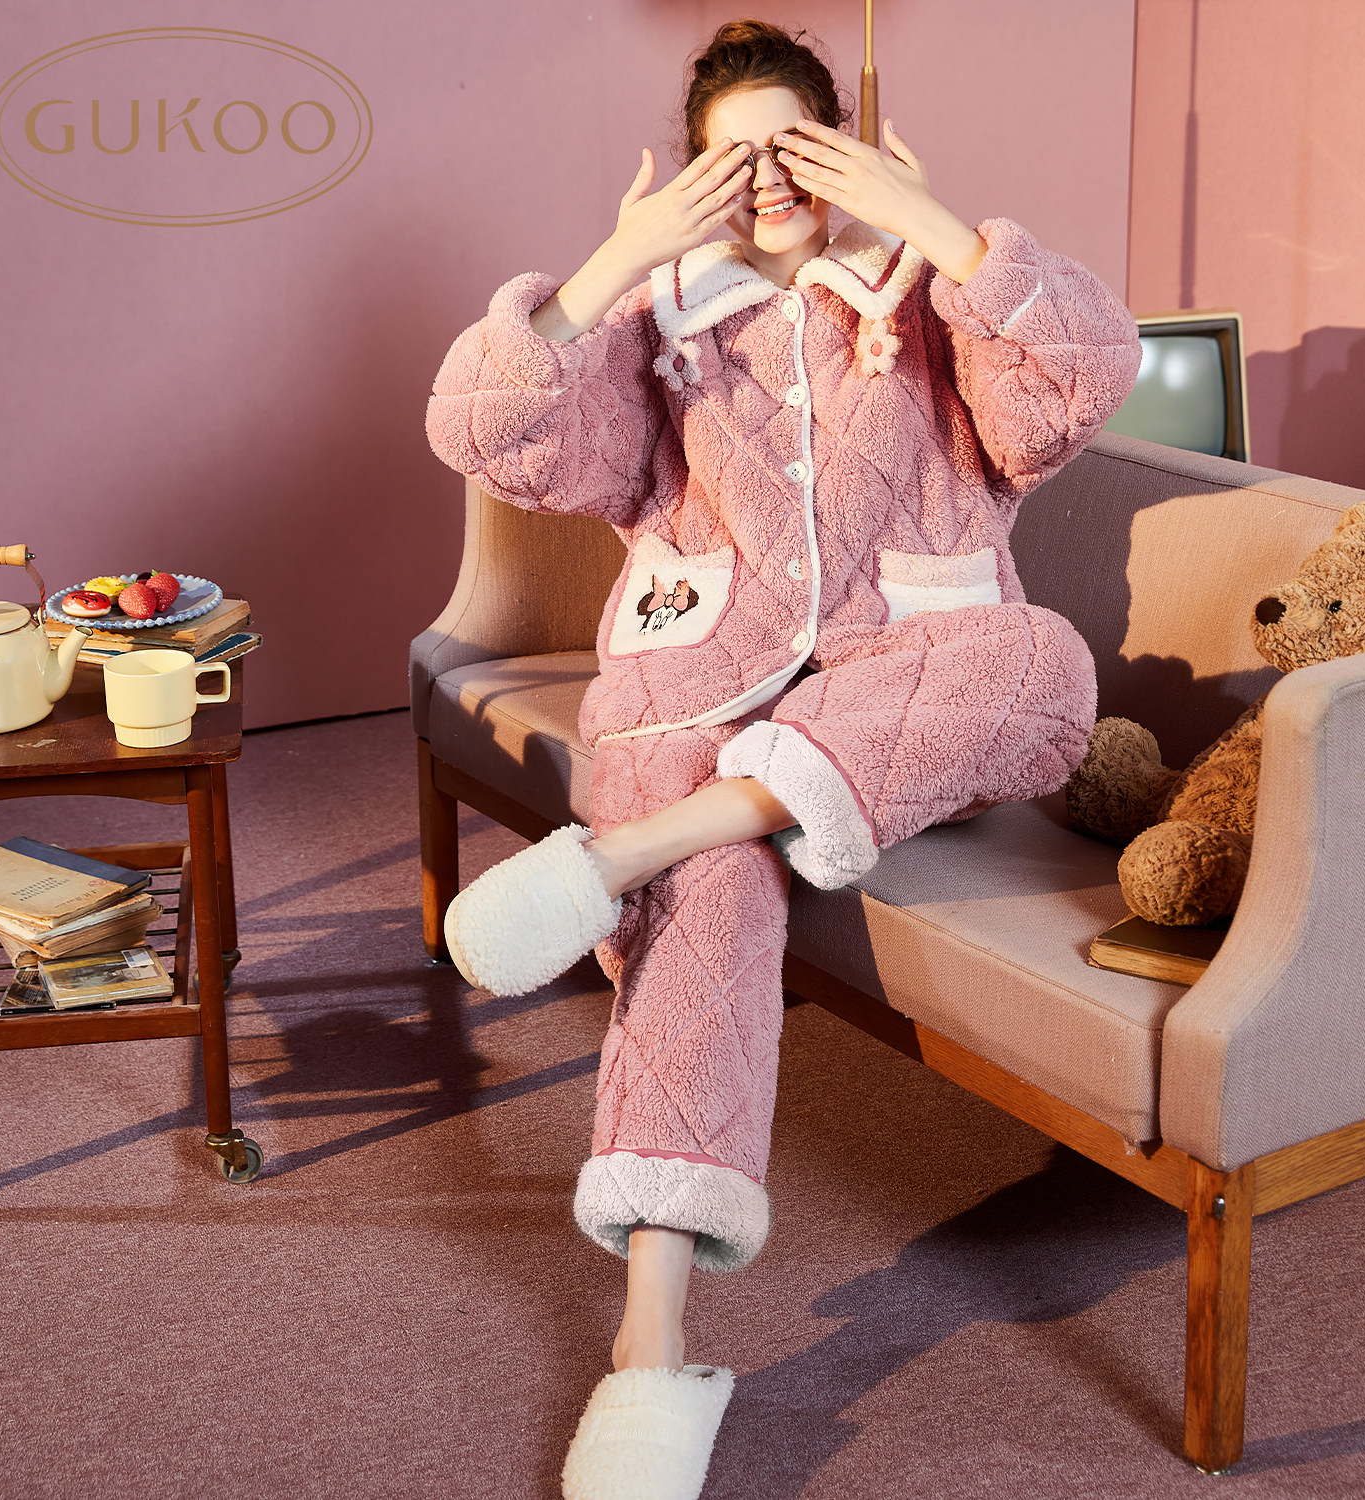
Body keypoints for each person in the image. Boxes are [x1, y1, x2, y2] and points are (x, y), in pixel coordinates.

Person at [425, 19, 1141, 1498]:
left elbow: (1077, 385)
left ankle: (620, 854)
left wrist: (935, 222)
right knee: (712, 905)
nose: (763, 177)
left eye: (794, 145)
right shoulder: (657, 320)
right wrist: (617, 260)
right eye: (728, 156)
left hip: (908, 685)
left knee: (1047, 663)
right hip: (698, 687)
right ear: (689, 173)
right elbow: (491, 433)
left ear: (847, 152)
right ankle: (650, 1347)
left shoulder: (931, 295)